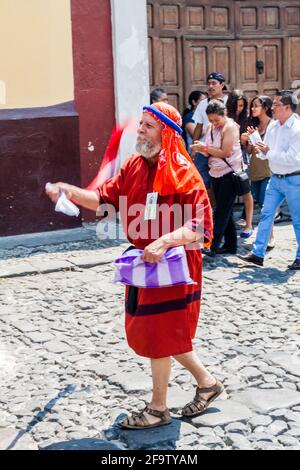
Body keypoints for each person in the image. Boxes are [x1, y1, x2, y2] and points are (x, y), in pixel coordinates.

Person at [46, 102, 224, 429]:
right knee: (164, 332)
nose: (140, 130)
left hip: (176, 266)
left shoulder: (185, 173)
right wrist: (69, 191)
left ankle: (157, 410)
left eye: (148, 126)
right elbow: (102, 199)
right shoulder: (134, 166)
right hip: (145, 264)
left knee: (160, 334)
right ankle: (208, 382)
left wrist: (164, 240)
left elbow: (201, 227)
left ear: (167, 134)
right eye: (140, 124)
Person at [239, 90, 300, 270]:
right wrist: (255, 139)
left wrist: (267, 152)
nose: (273, 107)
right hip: (276, 178)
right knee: (266, 214)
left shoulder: (297, 129)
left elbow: (294, 158)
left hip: (294, 179)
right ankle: (258, 254)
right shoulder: (273, 126)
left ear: (287, 107)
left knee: (297, 220)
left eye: (276, 104)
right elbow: (266, 154)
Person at [192, 99, 242, 256]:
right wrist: (200, 149)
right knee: (225, 210)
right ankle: (231, 245)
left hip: (229, 173)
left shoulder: (231, 127)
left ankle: (212, 245)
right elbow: (209, 152)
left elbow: (226, 152)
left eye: (216, 119)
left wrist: (205, 148)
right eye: (211, 120)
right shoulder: (210, 128)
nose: (214, 123)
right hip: (215, 172)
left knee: (221, 212)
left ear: (224, 114)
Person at [241, 95, 275, 249]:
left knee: (266, 204)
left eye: (256, 105)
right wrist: (246, 141)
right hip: (255, 169)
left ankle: (270, 236)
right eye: (252, 106)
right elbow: (249, 151)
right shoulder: (253, 125)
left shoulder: (273, 126)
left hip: (268, 170)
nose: (253, 109)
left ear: (266, 107)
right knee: (260, 203)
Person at [192, 72, 228, 199]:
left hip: (222, 147)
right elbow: (198, 126)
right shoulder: (203, 104)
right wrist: (194, 147)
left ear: (222, 85)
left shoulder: (228, 101)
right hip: (204, 147)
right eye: (209, 84)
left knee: (222, 180)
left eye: (214, 83)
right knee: (204, 181)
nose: (211, 86)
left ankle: (221, 210)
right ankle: (210, 209)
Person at [227, 90, 254, 238]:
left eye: (242, 106)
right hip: (227, 158)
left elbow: (250, 149)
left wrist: (247, 140)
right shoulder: (225, 118)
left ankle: (249, 224)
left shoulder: (247, 119)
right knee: (227, 193)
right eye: (237, 106)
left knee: (245, 190)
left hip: (242, 157)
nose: (239, 109)